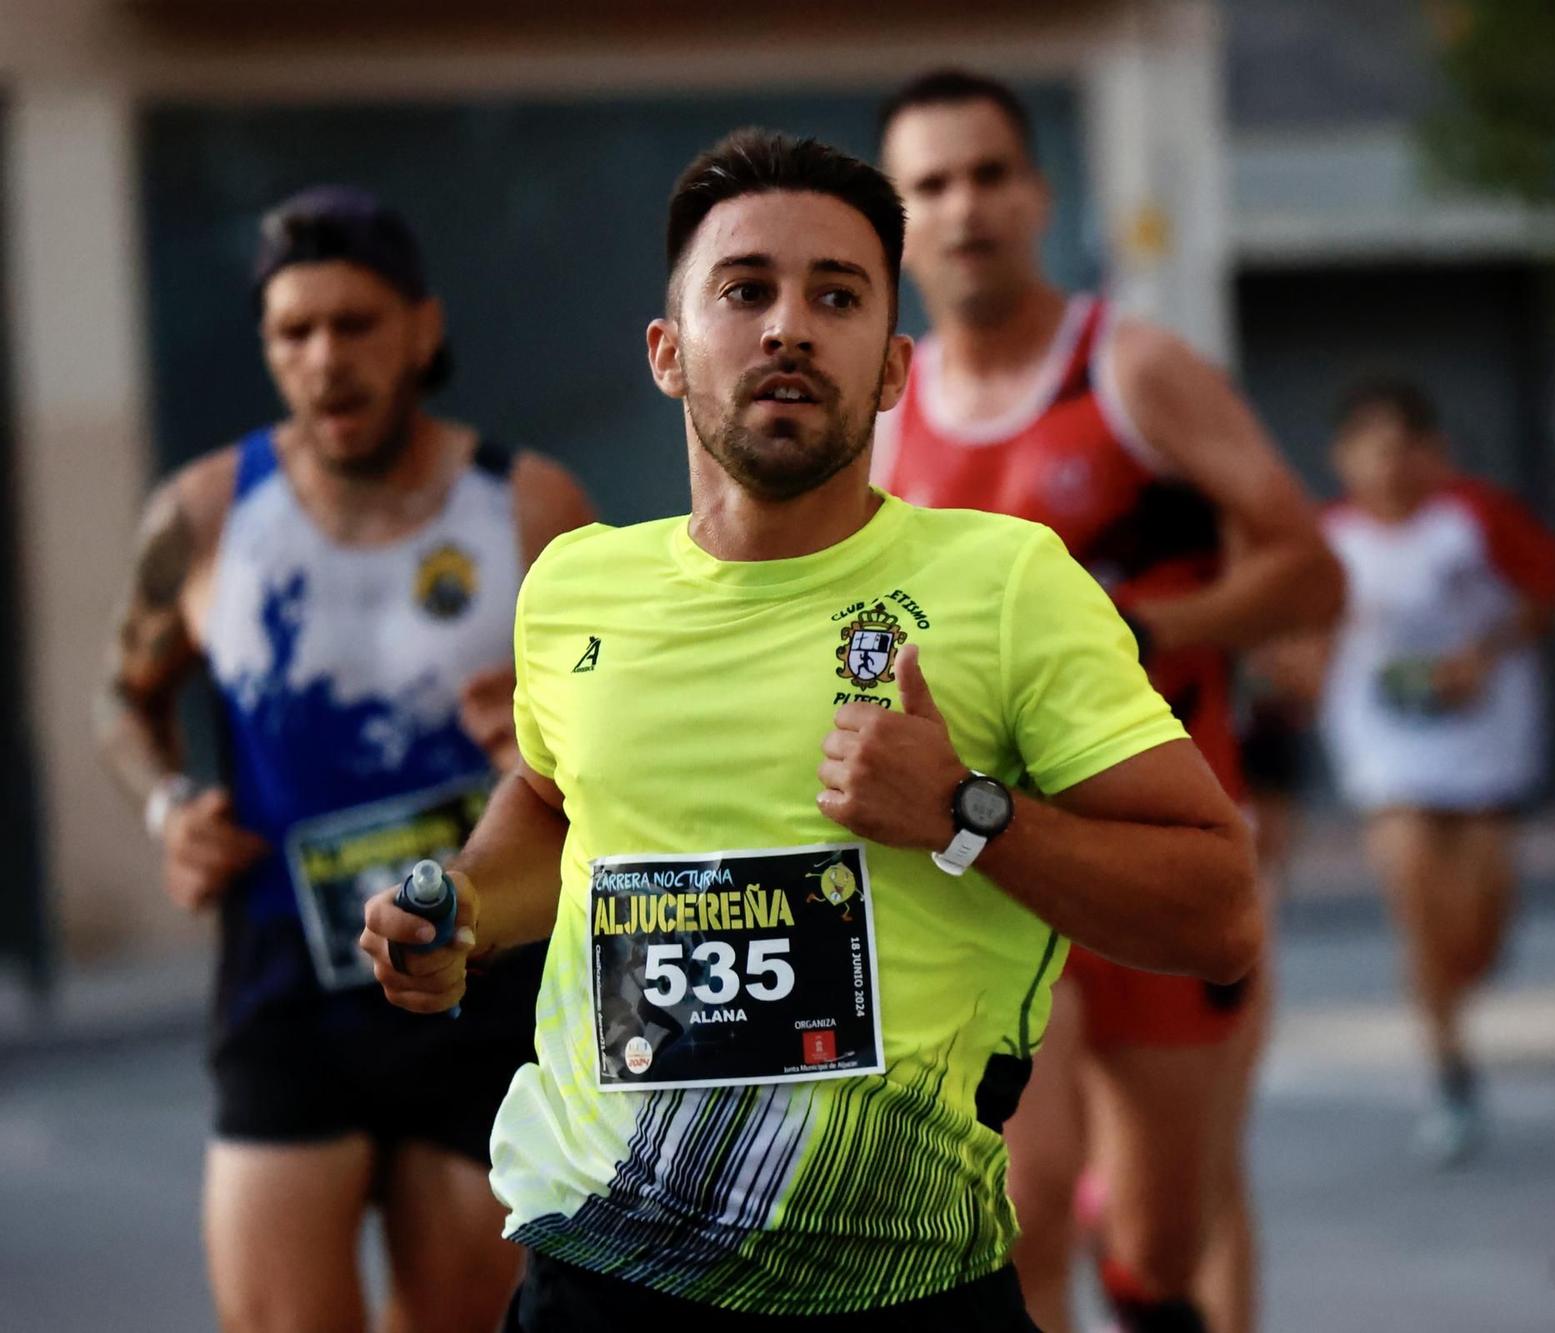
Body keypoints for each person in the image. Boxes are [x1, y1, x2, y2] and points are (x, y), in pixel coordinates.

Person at [357, 129, 1261, 1332]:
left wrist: (963, 814)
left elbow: (1217, 911)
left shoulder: (1002, 583)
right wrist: (463, 907)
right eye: (745, 291)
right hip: (604, 1265)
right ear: (668, 354)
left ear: (890, 369)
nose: (788, 326)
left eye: (834, 296)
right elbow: (558, 805)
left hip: (900, 1274)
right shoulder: (576, 585)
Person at [874, 70, 1341, 1333]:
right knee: (1014, 1212)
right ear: (896, 221)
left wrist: (1144, 627)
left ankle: (1137, 1256)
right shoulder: (880, 417)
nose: (961, 207)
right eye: (928, 185)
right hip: (978, 858)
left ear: (1036, 194)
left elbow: (1308, 566)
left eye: (985, 175)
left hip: (1151, 844)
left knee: (1162, 1244)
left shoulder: (1132, 370)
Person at [96, 186, 594, 1333]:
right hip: (281, 981)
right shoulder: (206, 512)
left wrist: (540, 739)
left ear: (422, 328)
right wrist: (170, 804)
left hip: (473, 971)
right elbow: (123, 700)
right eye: (293, 332)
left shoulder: (529, 506)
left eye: (355, 324)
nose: (325, 358)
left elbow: (612, 736)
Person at [1312, 377, 1555, 1165]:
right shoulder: (1325, 539)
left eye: (1405, 449)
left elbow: (1551, 588)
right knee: (1413, 881)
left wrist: (1483, 655)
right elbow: (1293, 631)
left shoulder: (1475, 517)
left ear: (1436, 453)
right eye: (1373, 450)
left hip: (1484, 734)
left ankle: (1461, 979)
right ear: (1343, 458)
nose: (1390, 467)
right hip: (1385, 744)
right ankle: (1449, 1067)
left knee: (1478, 924)